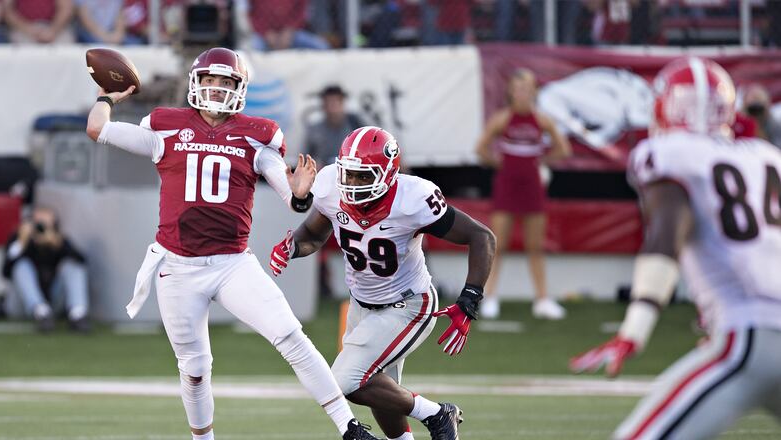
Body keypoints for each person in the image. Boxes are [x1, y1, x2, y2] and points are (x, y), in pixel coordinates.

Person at [85, 47, 380, 440]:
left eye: (227, 82)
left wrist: (300, 193)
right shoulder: (166, 124)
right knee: (194, 368)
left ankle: (350, 428)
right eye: (211, 80)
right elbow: (98, 129)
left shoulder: (257, 134)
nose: (218, 88)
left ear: (240, 88)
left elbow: (290, 195)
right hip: (178, 266)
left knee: (291, 336)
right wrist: (106, 96)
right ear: (196, 82)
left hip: (232, 264)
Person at [570, 57, 781, 439]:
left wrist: (635, 327)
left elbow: (666, 233)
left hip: (749, 335)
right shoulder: (767, 157)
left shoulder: (672, 154)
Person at [270, 126, 497, 440]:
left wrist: (468, 300)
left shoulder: (412, 198)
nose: (352, 183)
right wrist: (293, 247)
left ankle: (437, 414)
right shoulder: (330, 187)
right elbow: (314, 233)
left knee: (345, 379)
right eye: (349, 174)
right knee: (377, 385)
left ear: (389, 173)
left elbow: (481, 236)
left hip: (408, 304)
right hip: (362, 304)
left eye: (363, 177)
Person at [475, 68, 572, 320]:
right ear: (510, 92)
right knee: (498, 244)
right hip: (506, 187)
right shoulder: (502, 119)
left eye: (528, 89)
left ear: (535, 92)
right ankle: (490, 296)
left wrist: (540, 163)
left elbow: (563, 149)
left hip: (533, 189)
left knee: (535, 246)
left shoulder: (542, 120)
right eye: (518, 89)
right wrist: (500, 163)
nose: (523, 94)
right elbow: (481, 148)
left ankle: (542, 300)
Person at [1, 206, 90, 333]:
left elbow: (82, 261)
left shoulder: (59, 241)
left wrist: (59, 245)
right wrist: (22, 242)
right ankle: (41, 312)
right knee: (22, 265)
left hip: (52, 301)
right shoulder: (19, 240)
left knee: (71, 265)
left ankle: (78, 314)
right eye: (38, 222)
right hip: (20, 303)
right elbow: (5, 272)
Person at [305, 85, 366, 169]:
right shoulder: (314, 130)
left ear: (342, 103)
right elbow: (305, 157)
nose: (331, 107)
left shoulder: (356, 124)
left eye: (334, 102)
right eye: (327, 103)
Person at [3, 0, 74, 44]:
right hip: (23, 29)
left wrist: (52, 30)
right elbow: (7, 11)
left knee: (66, 47)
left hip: (53, 27)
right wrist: (28, 29)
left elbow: (66, 8)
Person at [75, 0, 144, 45]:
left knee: (135, 44)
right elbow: (85, 18)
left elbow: (120, 15)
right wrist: (105, 37)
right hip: (90, 33)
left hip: (111, 32)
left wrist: (118, 34)